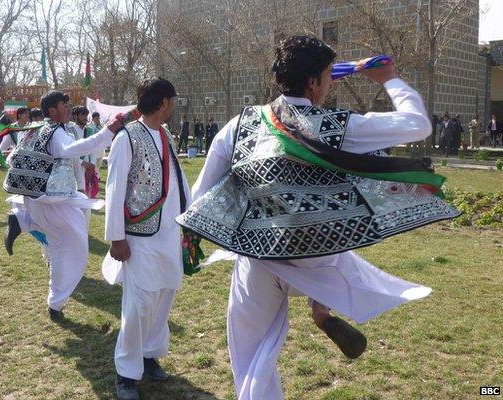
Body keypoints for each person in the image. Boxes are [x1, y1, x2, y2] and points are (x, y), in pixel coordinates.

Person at [177, 35, 459, 400]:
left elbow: (199, 197)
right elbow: (417, 124)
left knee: (247, 351)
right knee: (339, 249)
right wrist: (389, 78)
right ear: (313, 81)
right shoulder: (338, 126)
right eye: (327, 75)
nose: (330, 83)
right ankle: (322, 306)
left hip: (262, 256)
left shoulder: (241, 125)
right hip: (321, 257)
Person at [102, 77, 190, 400]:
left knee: (164, 294)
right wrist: (115, 237)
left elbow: (178, 181)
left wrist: (189, 219)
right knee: (138, 304)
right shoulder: (127, 138)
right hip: (137, 236)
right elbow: (114, 190)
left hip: (168, 232)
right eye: (173, 101)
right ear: (164, 102)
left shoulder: (164, 135)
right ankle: (126, 373)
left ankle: (150, 354)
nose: (174, 107)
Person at [2, 90, 121, 320]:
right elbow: (72, 150)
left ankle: (24, 221)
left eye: (68, 104)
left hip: (38, 198)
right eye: (63, 104)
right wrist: (109, 132)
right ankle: (55, 300)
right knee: (77, 247)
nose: (68, 107)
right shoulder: (55, 132)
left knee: (58, 247)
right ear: (51, 111)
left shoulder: (37, 129)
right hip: (53, 200)